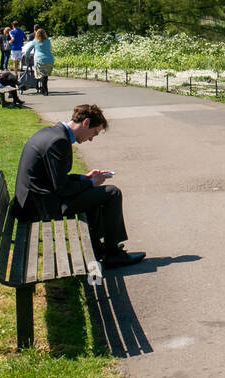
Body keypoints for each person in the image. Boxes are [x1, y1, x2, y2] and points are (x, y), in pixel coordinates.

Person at [13, 103, 144, 270]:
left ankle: (99, 248)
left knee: (94, 193)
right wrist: (90, 183)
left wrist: (85, 177)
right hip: (40, 207)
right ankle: (112, 255)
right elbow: (62, 188)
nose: (91, 139)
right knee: (112, 193)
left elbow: (56, 179)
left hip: (35, 200)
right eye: (94, 133)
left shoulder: (53, 133)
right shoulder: (59, 141)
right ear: (86, 123)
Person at [29, 28, 55, 95]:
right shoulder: (48, 41)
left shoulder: (35, 41)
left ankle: (45, 90)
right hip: (49, 59)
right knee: (45, 75)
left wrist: (26, 55)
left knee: (41, 75)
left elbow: (28, 50)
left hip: (39, 60)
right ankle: (43, 90)